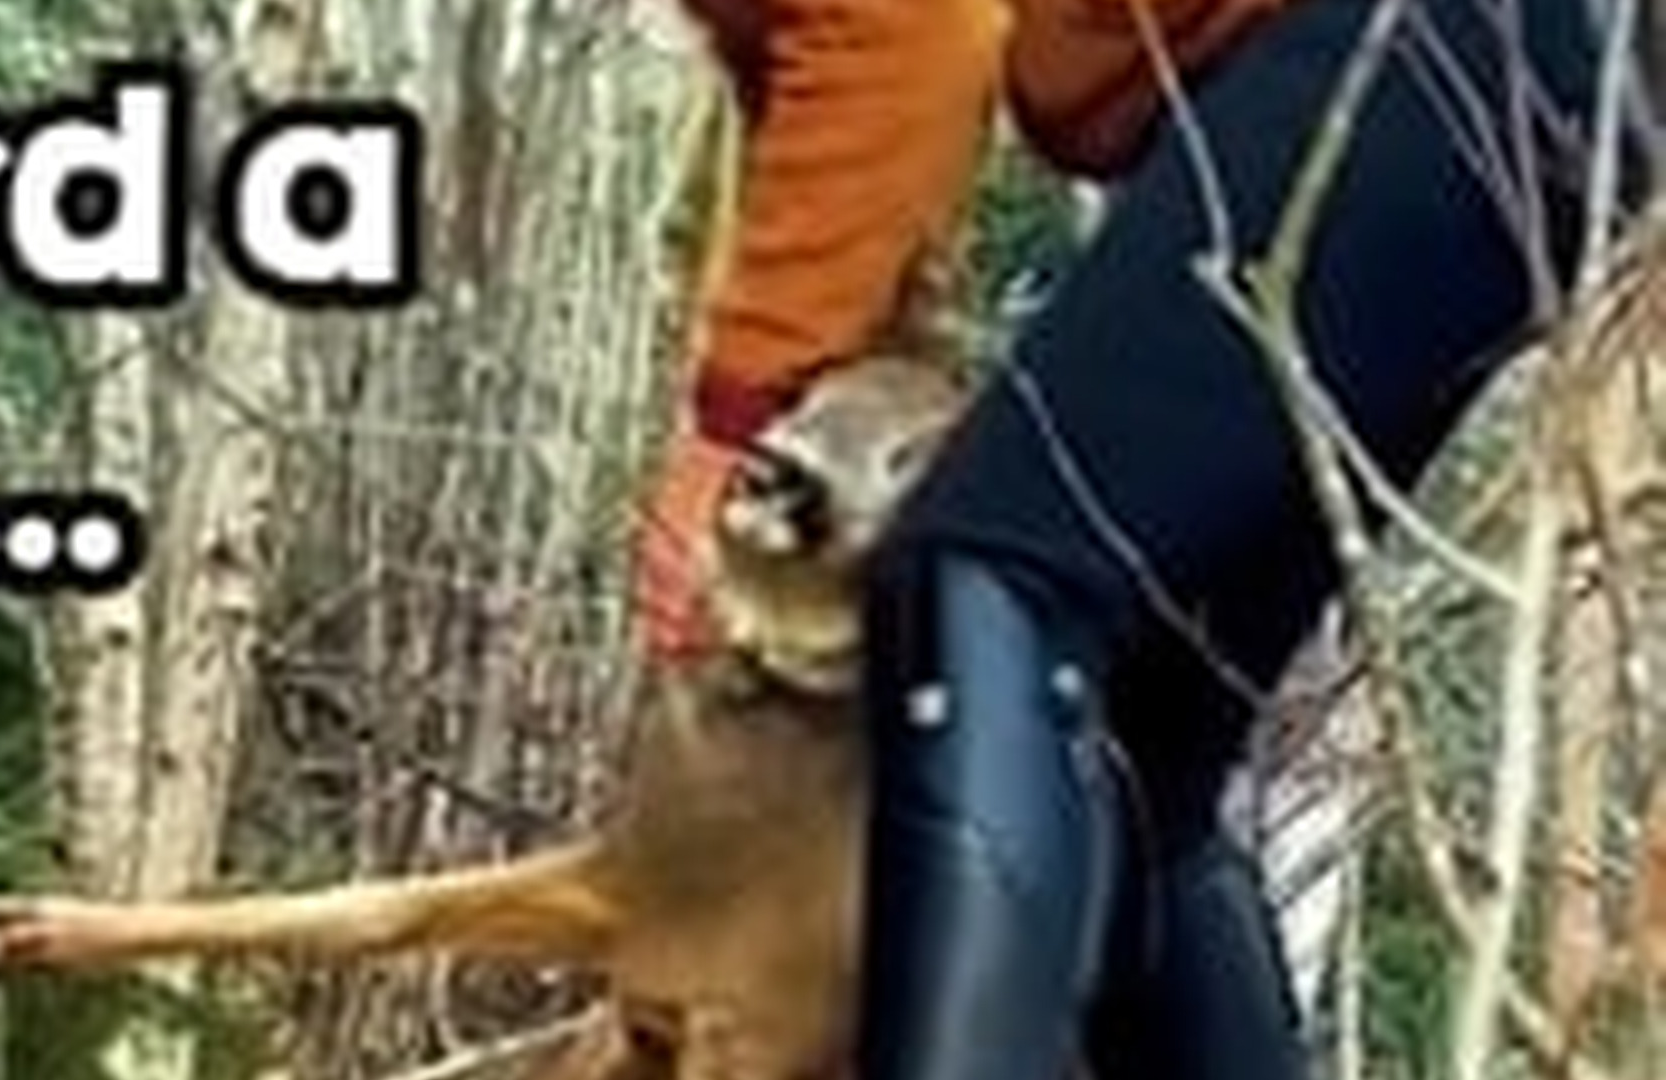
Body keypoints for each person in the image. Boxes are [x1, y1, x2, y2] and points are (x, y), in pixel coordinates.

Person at [634, 1, 1619, 1078]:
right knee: (1141, 742)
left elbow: (908, 31)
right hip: (1526, 79)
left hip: (1426, 50)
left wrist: (742, 420)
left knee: (990, 584)